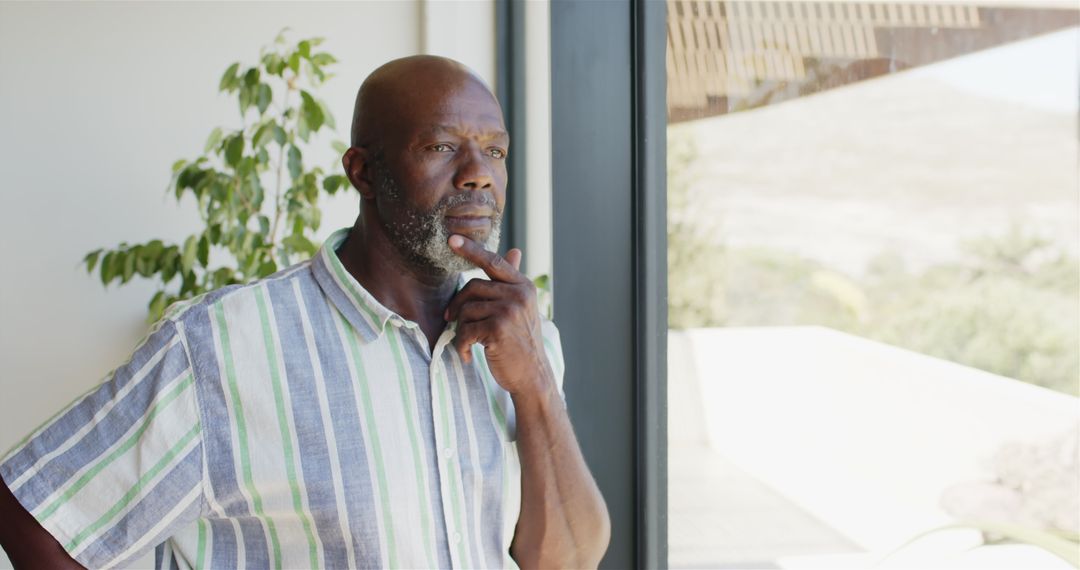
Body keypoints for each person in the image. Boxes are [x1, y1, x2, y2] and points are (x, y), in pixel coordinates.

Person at [0, 55, 610, 569]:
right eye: (443, 146)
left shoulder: (523, 343)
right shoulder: (223, 346)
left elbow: (568, 559)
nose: (478, 175)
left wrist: (535, 389)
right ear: (363, 172)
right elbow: (35, 509)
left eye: (496, 151)